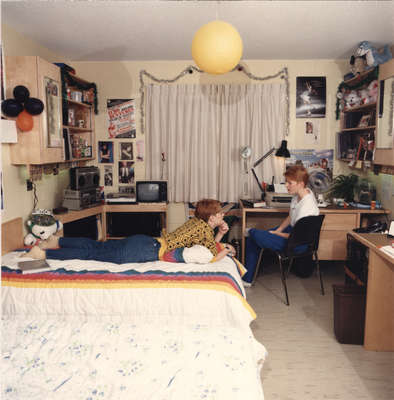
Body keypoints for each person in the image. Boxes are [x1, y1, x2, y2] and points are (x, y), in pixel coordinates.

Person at [25, 199, 236, 264]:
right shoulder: (205, 230)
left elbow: (209, 246)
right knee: (91, 253)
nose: (222, 216)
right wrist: (227, 249)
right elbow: (212, 257)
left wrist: (220, 234)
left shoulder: (197, 223)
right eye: (219, 215)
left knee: (95, 246)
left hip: (146, 241)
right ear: (211, 217)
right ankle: (43, 254)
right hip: (145, 252)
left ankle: (56, 242)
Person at [243, 165, 319, 285]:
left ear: (300, 184)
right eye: (286, 182)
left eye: (290, 183)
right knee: (255, 237)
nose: (286, 186)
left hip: (298, 243)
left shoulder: (307, 207)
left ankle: (247, 278)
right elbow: (290, 216)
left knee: (254, 236)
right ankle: (247, 278)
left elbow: (298, 237)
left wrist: (276, 234)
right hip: (293, 232)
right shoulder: (300, 195)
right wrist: (278, 230)